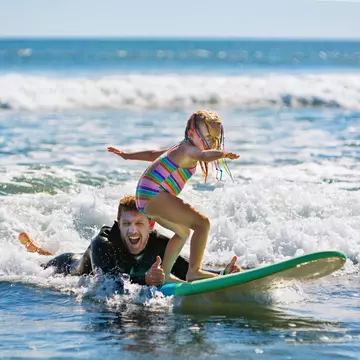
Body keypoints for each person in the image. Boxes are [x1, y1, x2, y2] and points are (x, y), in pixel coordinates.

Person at [108, 110, 239, 283]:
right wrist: (222, 154)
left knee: (183, 233)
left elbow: (152, 155)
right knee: (202, 224)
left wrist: (126, 156)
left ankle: (166, 275)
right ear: (191, 134)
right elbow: (204, 156)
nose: (210, 143)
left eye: (213, 139)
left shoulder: (179, 148)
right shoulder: (189, 149)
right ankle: (194, 272)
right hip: (153, 194)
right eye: (206, 137)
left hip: (146, 198)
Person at [19, 195, 241, 287]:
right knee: (39, 266)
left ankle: (37, 248)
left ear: (151, 224)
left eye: (139, 224)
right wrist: (146, 278)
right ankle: (36, 250)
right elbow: (110, 282)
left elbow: (185, 271)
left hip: (132, 269)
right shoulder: (103, 243)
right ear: (118, 222)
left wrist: (222, 275)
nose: (132, 231)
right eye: (126, 224)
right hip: (72, 267)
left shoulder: (160, 244)